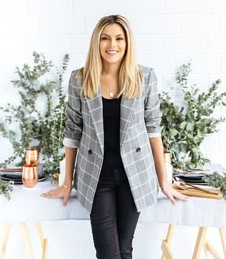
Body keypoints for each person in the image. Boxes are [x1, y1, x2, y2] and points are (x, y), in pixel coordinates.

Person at [41, 15, 187, 259]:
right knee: (108, 253)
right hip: (96, 176)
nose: (112, 44)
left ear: (127, 43)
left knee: (124, 249)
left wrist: (164, 181)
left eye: (119, 38)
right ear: (96, 43)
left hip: (135, 176)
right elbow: (72, 131)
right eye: (105, 38)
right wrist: (67, 182)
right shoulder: (80, 79)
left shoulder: (144, 77)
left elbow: (153, 130)